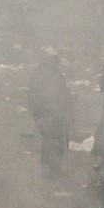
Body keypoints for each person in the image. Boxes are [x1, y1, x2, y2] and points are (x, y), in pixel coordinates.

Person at [27, 46, 71, 181]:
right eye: (52, 59)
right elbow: (33, 97)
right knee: (49, 142)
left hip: (58, 113)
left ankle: (54, 169)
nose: (55, 61)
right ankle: (48, 170)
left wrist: (68, 105)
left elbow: (64, 93)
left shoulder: (56, 74)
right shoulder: (38, 76)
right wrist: (38, 116)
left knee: (57, 141)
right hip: (46, 114)